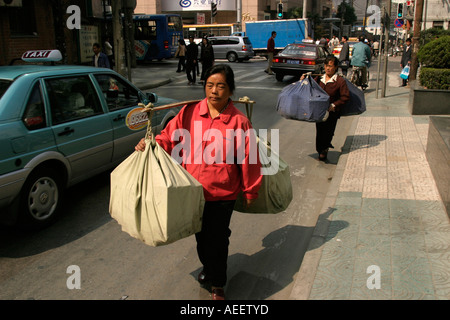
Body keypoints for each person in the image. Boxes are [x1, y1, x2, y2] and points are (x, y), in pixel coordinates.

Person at [135, 64, 262, 300]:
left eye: (221, 86)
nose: (214, 91)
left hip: (223, 193)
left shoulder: (239, 121)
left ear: (230, 90)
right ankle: (209, 267)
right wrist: (150, 144)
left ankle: (218, 284)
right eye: (210, 85)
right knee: (201, 238)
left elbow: (249, 158)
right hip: (193, 191)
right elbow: (168, 137)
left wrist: (251, 190)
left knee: (219, 238)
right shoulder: (189, 112)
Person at [301, 56, 350, 162]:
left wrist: (334, 105)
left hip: (332, 113)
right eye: (327, 66)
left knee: (328, 132)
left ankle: (325, 148)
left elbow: (345, 97)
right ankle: (321, 150)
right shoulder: (319, 79)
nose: (328, 68)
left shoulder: (340, 81)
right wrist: (303, 81)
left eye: (331, 66)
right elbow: (310, 89)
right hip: (320, 112)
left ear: (335, 67)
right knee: (320, 132)